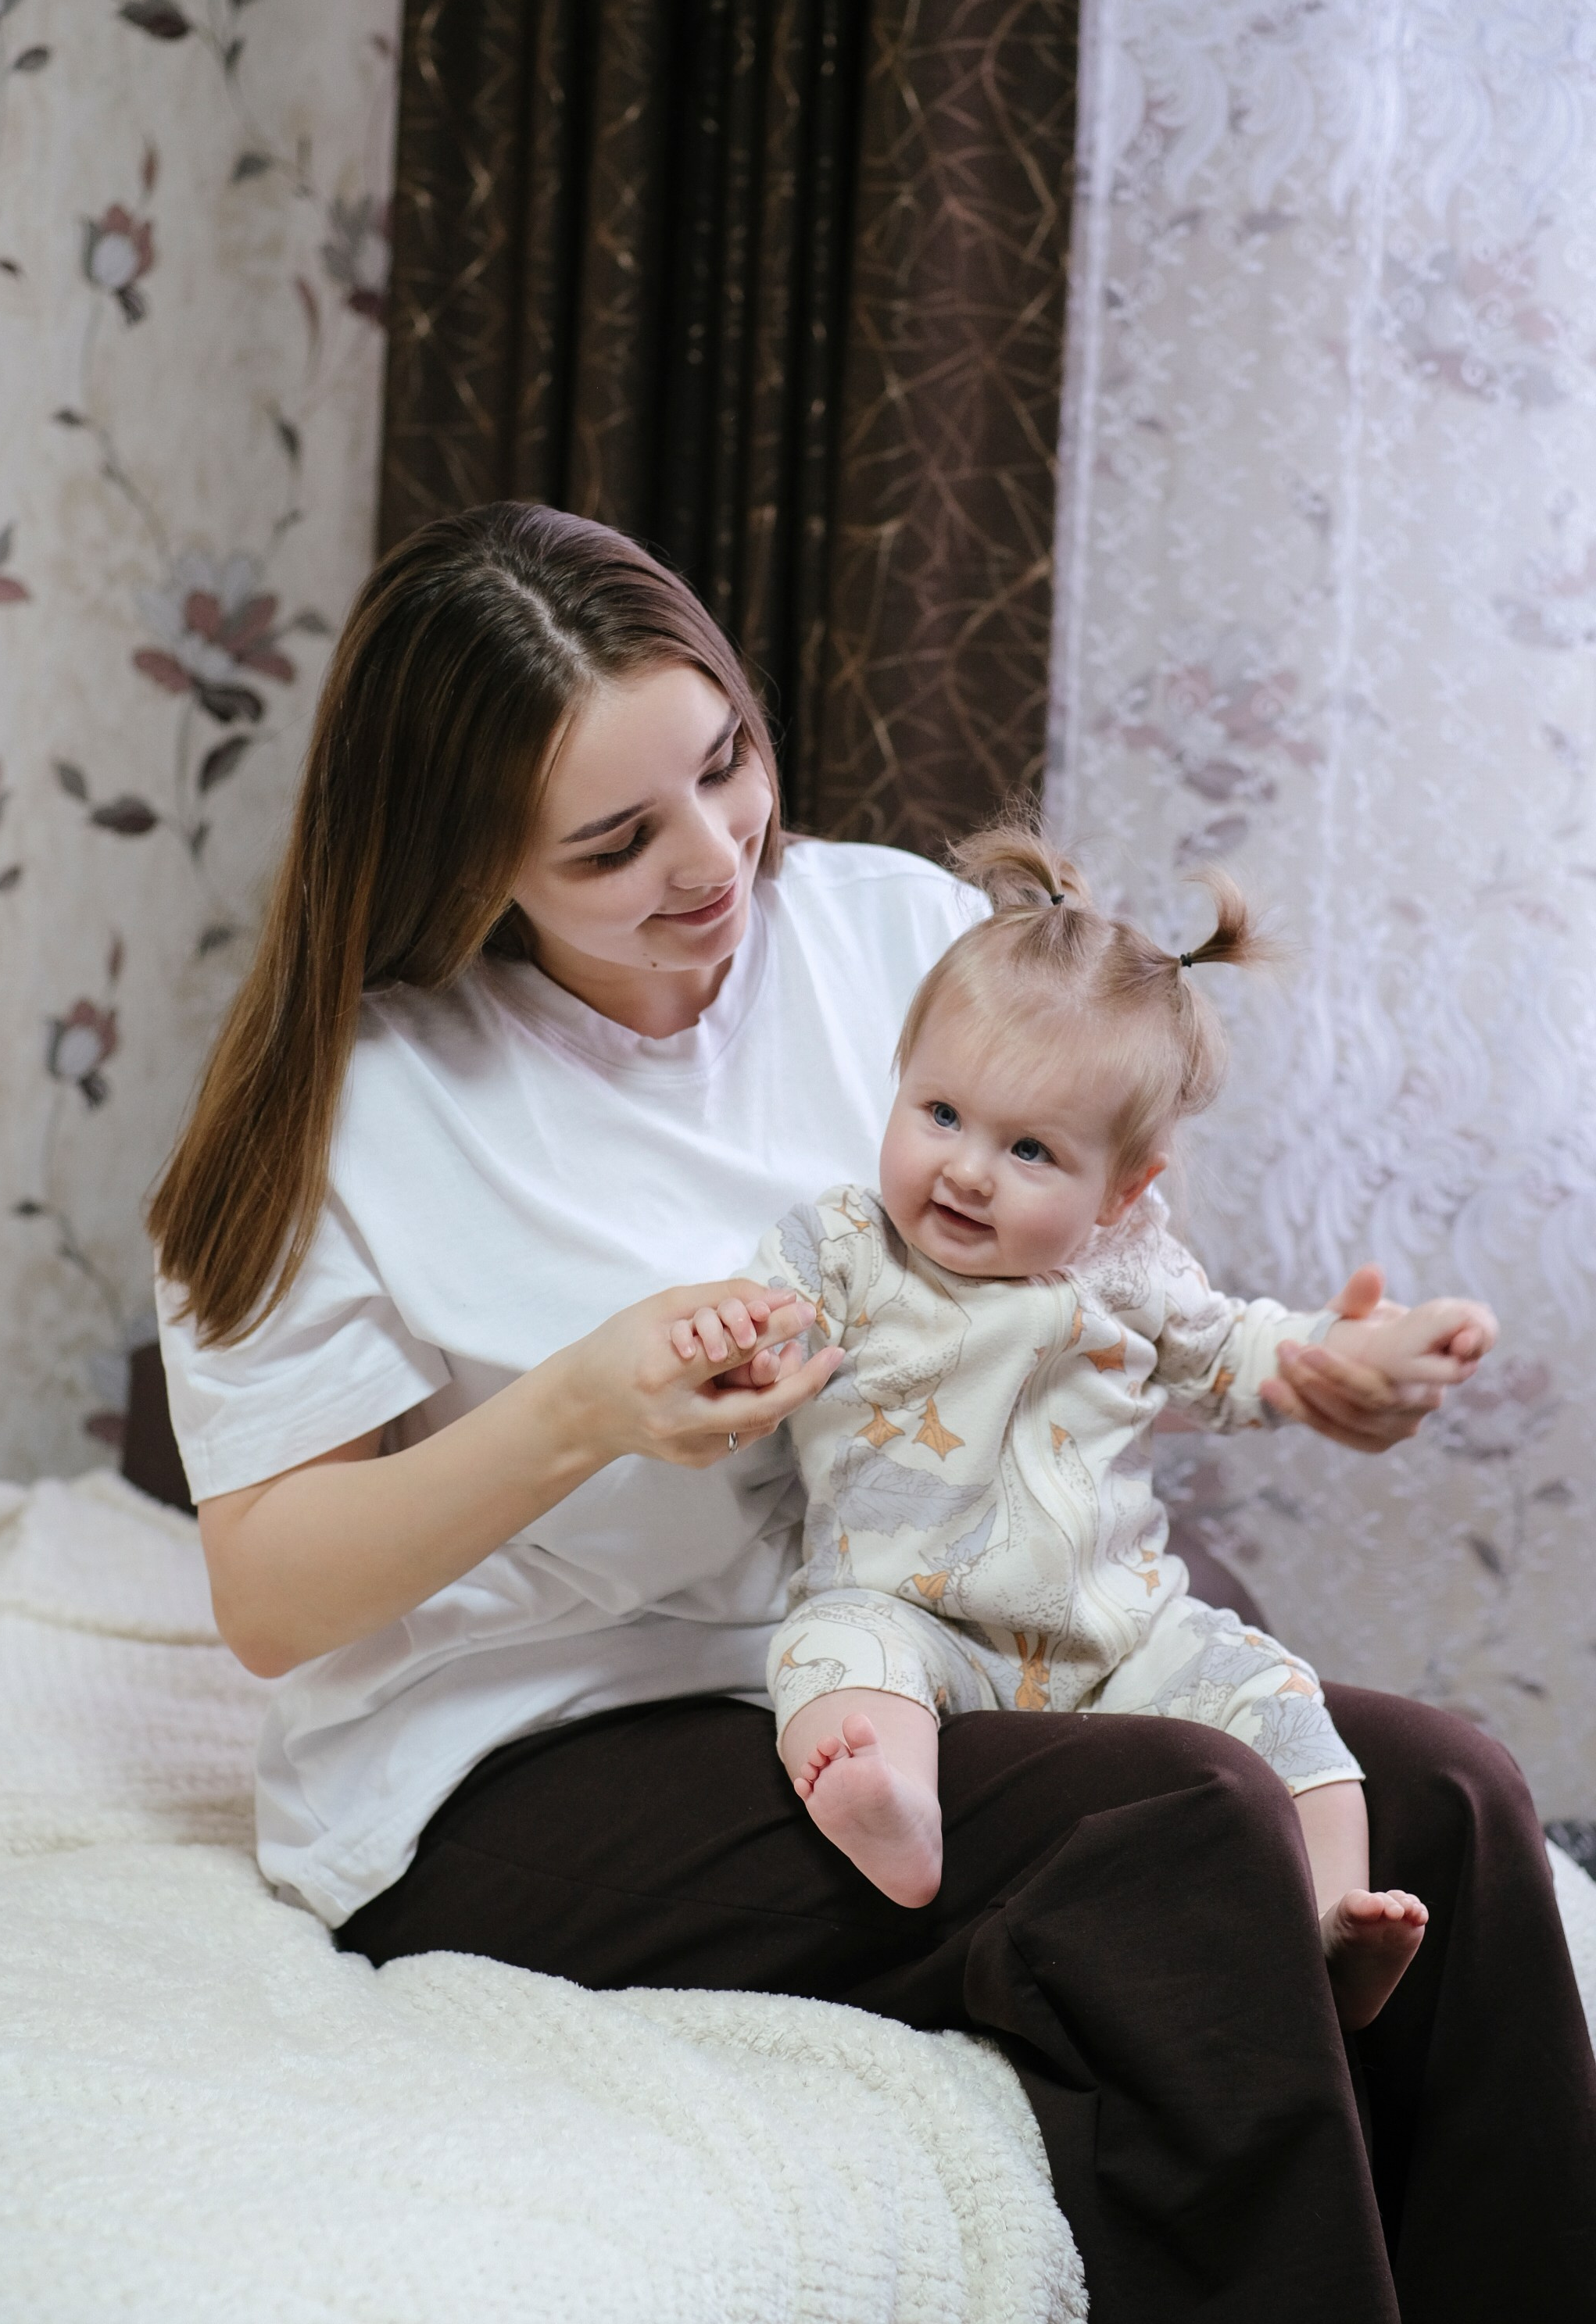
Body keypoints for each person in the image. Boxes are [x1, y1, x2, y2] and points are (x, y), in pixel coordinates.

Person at [149, 501, 1596, 2324]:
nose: (711, 860)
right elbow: (273, 1599)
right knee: (1180, 1819)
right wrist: (582, 1410)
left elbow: (1131, 1313)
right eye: (615, 842)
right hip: (524, 1760)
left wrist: (1319, 1377)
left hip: (926, 1664)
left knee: (1451, 1801)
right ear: (464, 866)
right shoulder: (350, 1112)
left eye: (726, 764)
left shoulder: (896, 934)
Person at [675, 824, 1495, 2033]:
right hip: (918, 1613)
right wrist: (738, 1348)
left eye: (1029, 1151)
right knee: (832, 1653)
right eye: (941, 1113)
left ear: (1123, 1191)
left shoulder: (1131, 1274)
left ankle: (1333, 1920)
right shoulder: (846, 1245)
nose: (965, 1172)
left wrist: (1361, 1350)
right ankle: (892, 1803)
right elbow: (773, 1338)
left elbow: (1245, 1350)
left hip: (1119, 1640)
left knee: (1276, 1689)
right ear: (895, 1087)